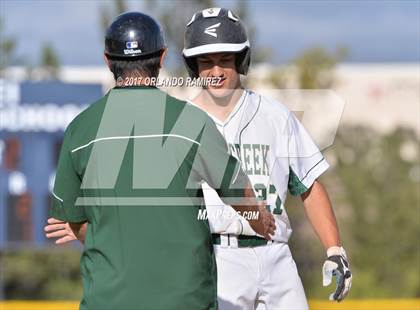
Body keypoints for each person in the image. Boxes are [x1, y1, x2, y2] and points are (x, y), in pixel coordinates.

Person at [48, 11, 275, 310]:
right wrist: (262, 220)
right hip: (186, 301)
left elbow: (73, 222)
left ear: (107, 60)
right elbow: (240, 197)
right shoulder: (193, 122)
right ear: (163, 57)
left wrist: (111, 237)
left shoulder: (80, 128)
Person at [181, 7, 352, 310]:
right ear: (193, 66)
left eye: (225, 60)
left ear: (241, 60)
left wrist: (334, 249)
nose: (216, 70)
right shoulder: (181, 124)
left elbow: (309, 186)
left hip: (277, 257)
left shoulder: (276, 116)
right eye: (206, 62)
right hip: (217, 257)